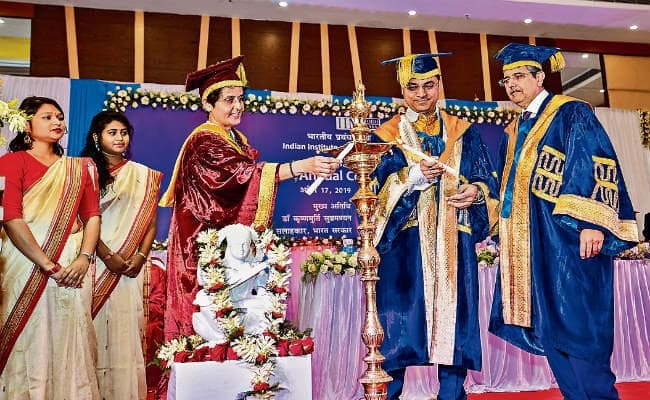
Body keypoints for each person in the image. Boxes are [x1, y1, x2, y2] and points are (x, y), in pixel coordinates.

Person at [488, 43, 639, 400]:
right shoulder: (516, 129)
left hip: (570, 240)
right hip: (534, 245)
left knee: (580, 327)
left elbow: (594, 161)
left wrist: (592, 223)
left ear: (540, 77)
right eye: (506, 80)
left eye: (519, 76)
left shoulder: (570, 112)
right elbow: (505, 190)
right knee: (551, 329)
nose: (512, 85)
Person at [160, 55, 340, 339]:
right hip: (203, 244)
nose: (238, 106)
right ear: (208, 104)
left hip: (229, 246)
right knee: (211, 324)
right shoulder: (204, 141)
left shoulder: (233, 139)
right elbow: (240, 177)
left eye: (241, 99)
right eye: (229, 100)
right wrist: (302, 166)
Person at [373, 54, 499, 400]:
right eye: (413, 87)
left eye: (429, 85)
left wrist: (476, 193)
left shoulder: (464, 133)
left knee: (455, 326)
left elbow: (487, 181)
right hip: (405, 248)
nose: (422, 94)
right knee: (399, 326)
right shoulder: (386, 137)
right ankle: (388, 395)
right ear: (402, 90)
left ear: (439, 84)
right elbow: (372, 194)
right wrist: (411, 177)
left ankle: (453, 395)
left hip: (454, 245)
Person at [0, 96, 101, 399]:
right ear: (26, 125)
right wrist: (47, 264)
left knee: (70, 336)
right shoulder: (10, 163)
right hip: (26, 263)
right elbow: (11, 217)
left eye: (59, 116)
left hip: (73, 267)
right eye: (47, 117)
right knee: (30, 336)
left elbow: (92, 215)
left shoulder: (79, 168)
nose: (57, 121)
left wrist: (84, 258)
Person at [81, 110, 162, 400]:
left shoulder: (142, 175)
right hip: (92, 263)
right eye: (112, 132)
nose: (120, 138)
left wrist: (140, 257)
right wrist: (106, 255)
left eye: (124, 133)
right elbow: (81, 219)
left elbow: (150, 220)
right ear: (97, 137)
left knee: (123, 335)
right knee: (90, 331)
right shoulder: (84, 171)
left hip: (129, 268)